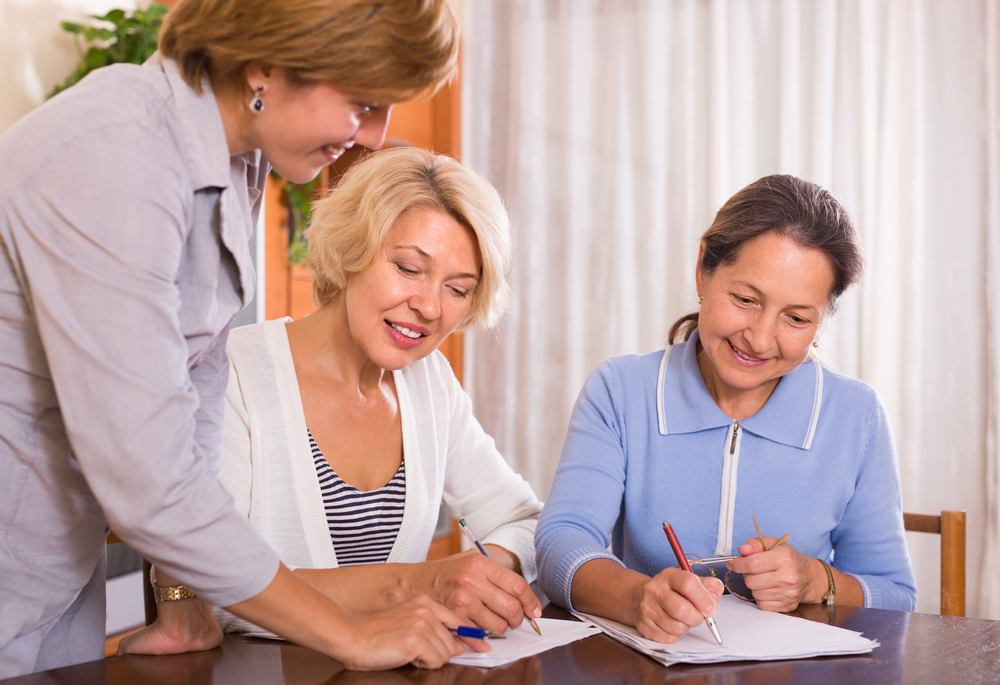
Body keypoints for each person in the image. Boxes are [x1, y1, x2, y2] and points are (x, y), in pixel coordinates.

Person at [0, 0, 469, 677]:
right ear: (268, 66)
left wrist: (186, 590)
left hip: (56, 576)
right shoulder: (115, 154)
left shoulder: (234, 162)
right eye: (364, 102)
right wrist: (351, 634)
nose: (374, 136)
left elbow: (195, 401)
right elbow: (149, 476)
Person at [535, 175, 917, 644]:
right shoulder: (621, 390)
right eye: (744, 300)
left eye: (796, 318)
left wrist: (817, 580)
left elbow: (897, 594)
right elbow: (561, 544)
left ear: (823, 321)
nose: (758, 338)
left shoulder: (857, 416)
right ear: (703, 270)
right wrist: (639, 597)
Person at [212, 146, 543, 638]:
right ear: (350, 253)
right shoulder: (233, 372)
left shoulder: (431, 384)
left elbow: (525, 520)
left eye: (458, 289)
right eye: (409, 268)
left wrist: (482, 576)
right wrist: (416, 584)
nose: (430, 307)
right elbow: (217, 588)